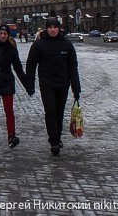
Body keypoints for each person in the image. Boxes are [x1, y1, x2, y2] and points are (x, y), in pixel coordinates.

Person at [26, 16, 81, 156]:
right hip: (47, 83)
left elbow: (73, 67)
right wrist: (30, 84)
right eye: (50, 27)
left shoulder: (67, 44)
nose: (52, 30)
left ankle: (58, 136)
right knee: (50, 111)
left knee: (59, 111)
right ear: (46, 28)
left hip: (63, 83)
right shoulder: (39, 44)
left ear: (59, 28)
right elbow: (31, 65)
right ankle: (54, 141)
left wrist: (76, 88)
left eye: (55, 27)